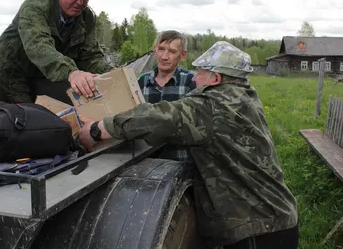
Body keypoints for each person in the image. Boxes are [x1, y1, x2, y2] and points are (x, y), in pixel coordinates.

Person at [77, 41, 299, 249]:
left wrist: (97, 129)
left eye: (201, 73)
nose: (194, 78)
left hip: (257, 230)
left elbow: (158, 118)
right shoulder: (245, 96)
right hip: (273, 219)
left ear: (216, 79)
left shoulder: (212, 107)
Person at [0, 0, 113, 104]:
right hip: (13, 71)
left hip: (45, 74)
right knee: (27, 117)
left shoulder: (86, 17)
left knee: (66, 111)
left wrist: (111, 73)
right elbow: (38, 46)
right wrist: (72, 72)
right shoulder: (36, 6)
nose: (80, 2)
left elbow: (90, 55)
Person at [138, 30, 196, 162]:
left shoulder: (191, 81)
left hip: (180, 161)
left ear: (182, 55)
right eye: (161, 49)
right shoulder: (142, 81)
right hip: (146, 160)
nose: (164, 56)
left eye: (172, 51)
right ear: (155, 50)